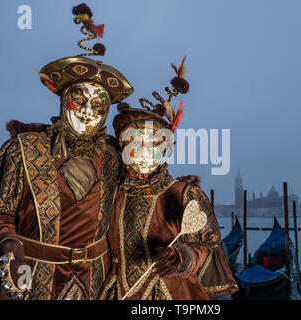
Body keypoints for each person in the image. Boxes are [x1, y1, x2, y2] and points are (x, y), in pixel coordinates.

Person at [0, 4, 133, 300]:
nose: (87, 112)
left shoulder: (114, 157)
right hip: (34, 275)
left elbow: (141, 204)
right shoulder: (23, 148)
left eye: (98, 104)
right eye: (78, 100)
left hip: (96, 280)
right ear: (63, 100)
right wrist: (9, 244)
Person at [99, 60, 238, 300]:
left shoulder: (183, 195)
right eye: (134, 143)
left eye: (152, 144)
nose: (143, 151)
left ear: (164, 148)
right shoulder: (110, 192)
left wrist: (184, 257)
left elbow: (208, 246)